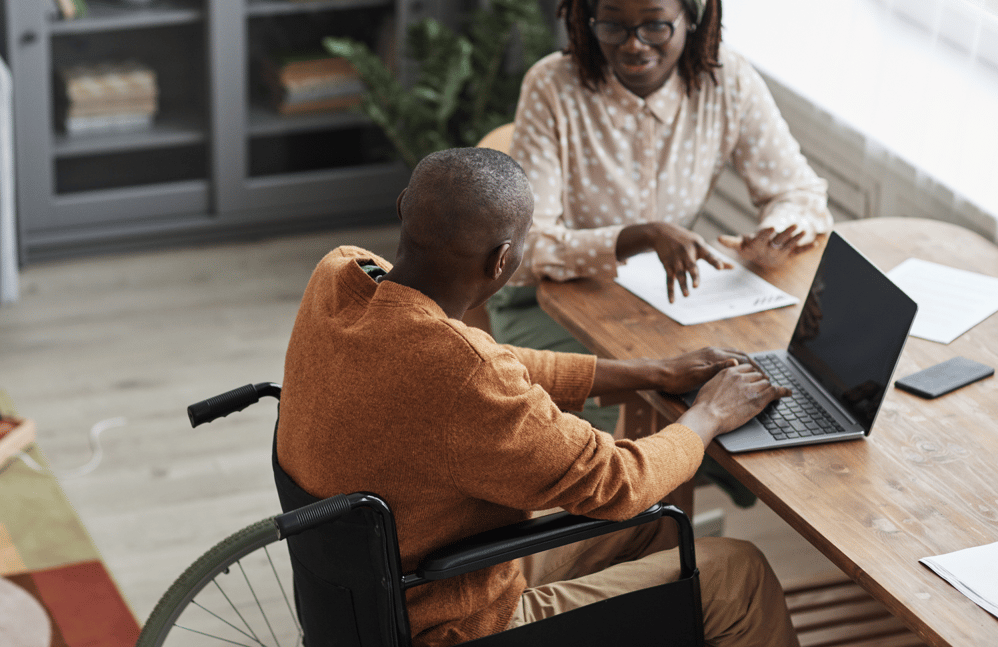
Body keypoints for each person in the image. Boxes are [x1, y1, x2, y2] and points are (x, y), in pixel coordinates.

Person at [277, 147, 799, 647]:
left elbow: (484, 359)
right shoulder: (462, 376)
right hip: (458, 624)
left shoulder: (341, 275)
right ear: (504, 259)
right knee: (737, 573)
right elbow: (619, 481)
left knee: (653, 524)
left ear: (403, 208)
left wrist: (653, 371)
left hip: (381, 594)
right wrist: (710, 414)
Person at [486, 0, 835, 496]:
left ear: (691, 20)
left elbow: (800, 192)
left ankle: (673, 524)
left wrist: (780, 227)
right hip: (545, 301)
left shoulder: (727, 80)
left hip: (667, 301)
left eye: (656, 25)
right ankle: (647, 530)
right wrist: (639, 235)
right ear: (586, 20)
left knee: (746, 383)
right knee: (686, 402)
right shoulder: (553, 86)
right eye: (612, 24)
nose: (634, 44)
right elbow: (526, 255)